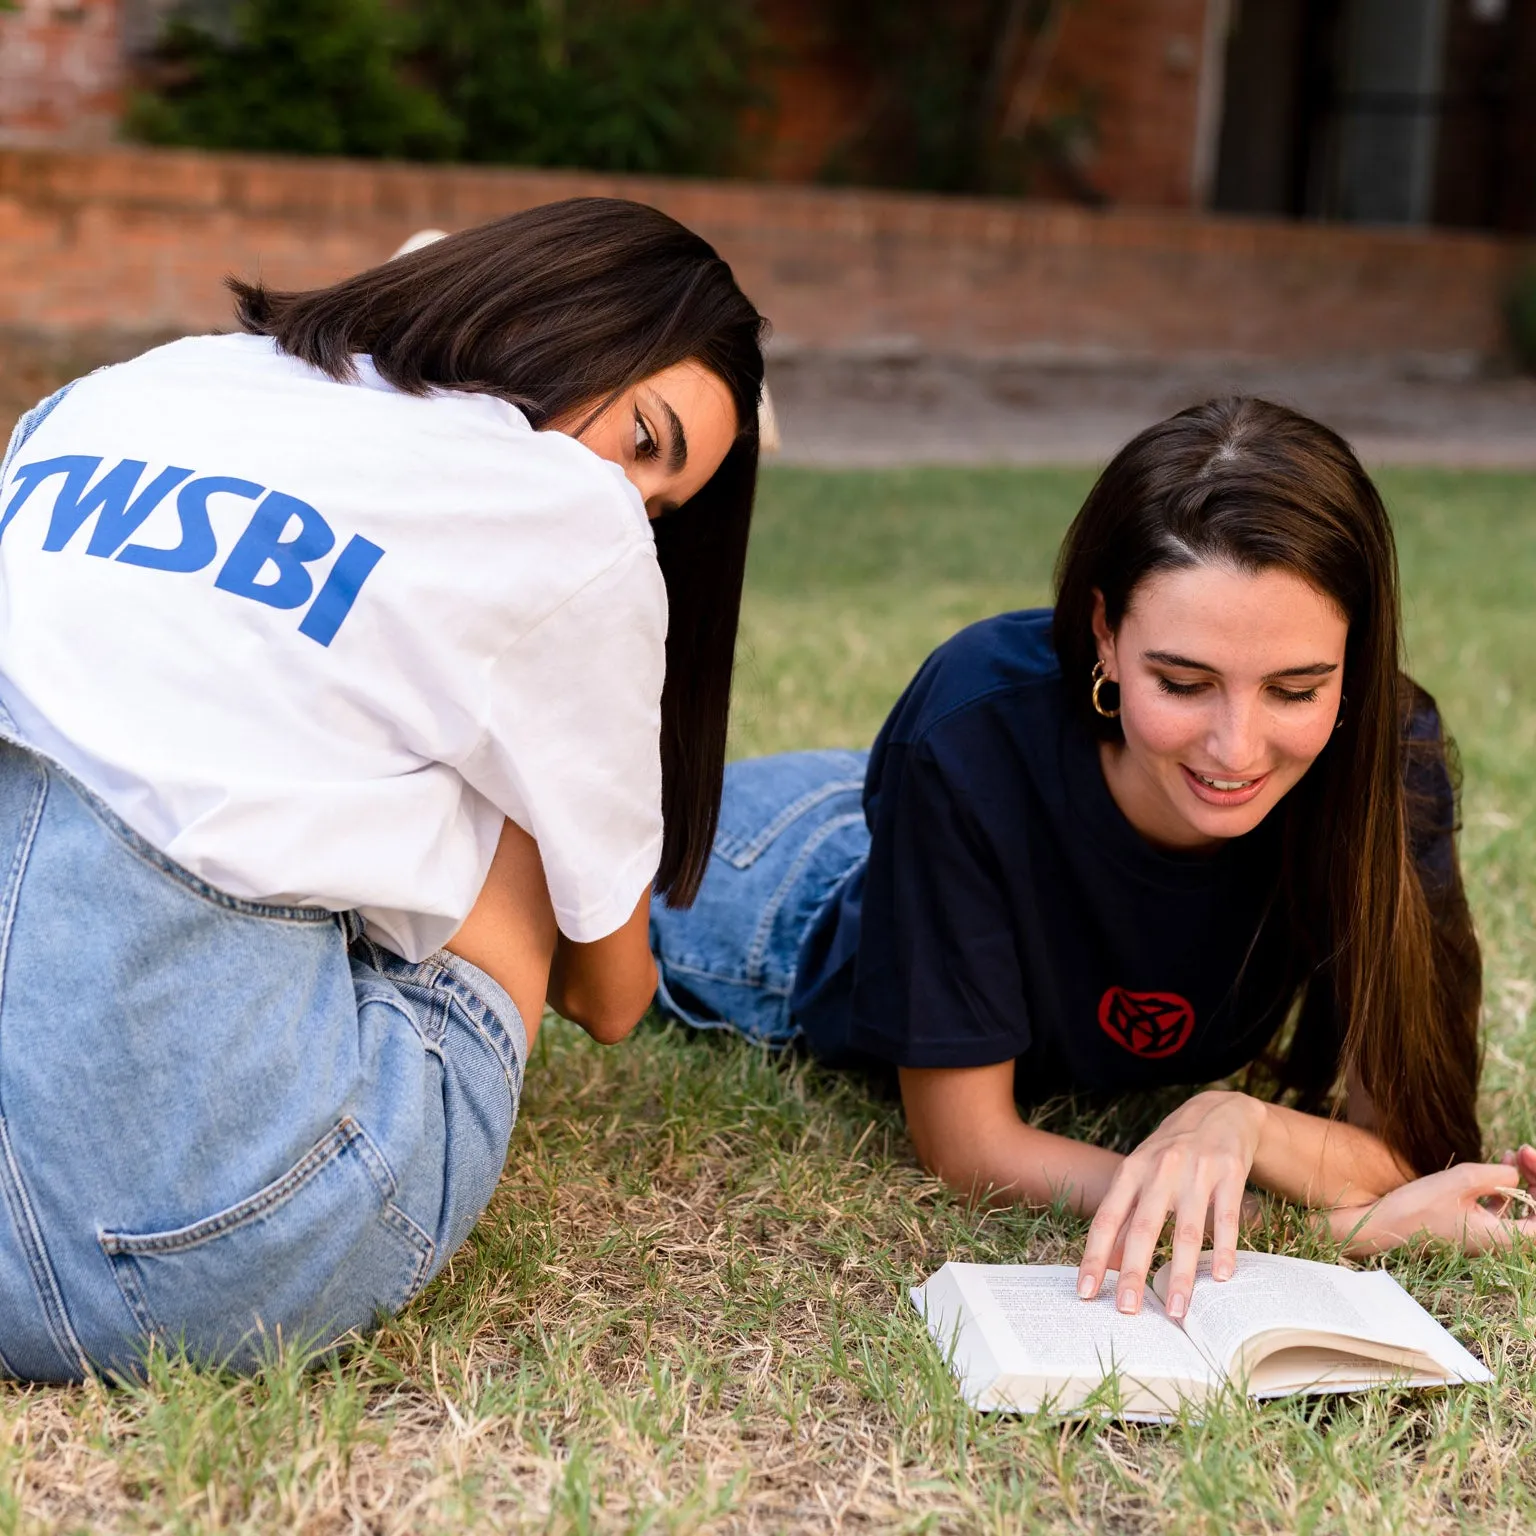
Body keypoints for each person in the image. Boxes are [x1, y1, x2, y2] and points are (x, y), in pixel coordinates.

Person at [0, 197, 764, 1380]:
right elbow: (612, 999)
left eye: (657, 511)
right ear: (570, 319)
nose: (626, 502)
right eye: (644, 444)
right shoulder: (566, 515)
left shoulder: (137, 386)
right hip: (207, 1250)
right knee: (510, 753)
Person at [651, 396, 1536, 1327]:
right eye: (1183, 683)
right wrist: (1332, 1231)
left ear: (1353, 661)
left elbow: (1405, 1143)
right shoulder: (972, 735)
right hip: (780, 886)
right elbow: (968, 1142)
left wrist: (1233, 1121)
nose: (1236, 749)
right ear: (1106, 633)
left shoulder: (1386, 762)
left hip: (931, 819)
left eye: (1295, 689)